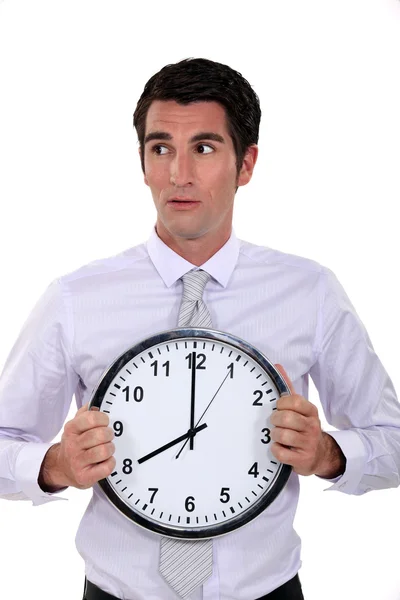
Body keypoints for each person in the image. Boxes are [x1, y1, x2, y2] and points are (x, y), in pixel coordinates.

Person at [0, 57, 399, 600]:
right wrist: (55, 465)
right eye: (160, 148)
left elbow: (393, 442)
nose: (178, 174)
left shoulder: (310, 292)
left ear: (247, 163)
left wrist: (328, 453)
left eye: (204, 148)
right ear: (142, 162)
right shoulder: (75, 298)